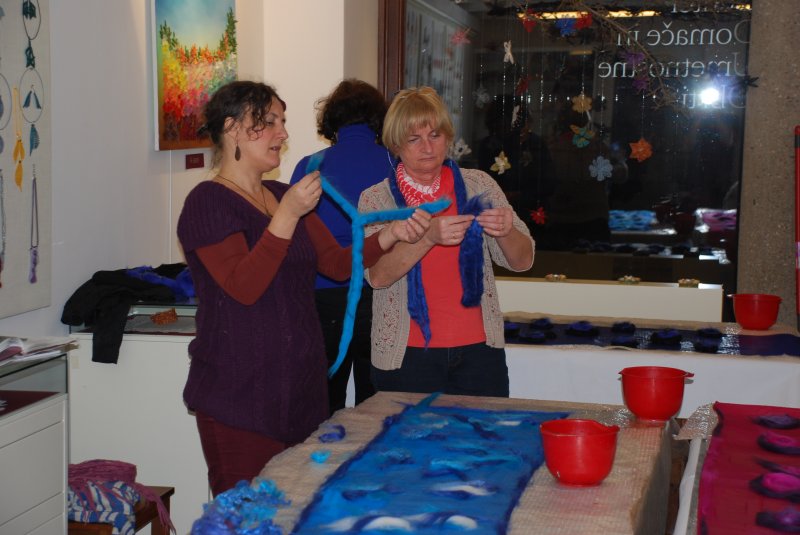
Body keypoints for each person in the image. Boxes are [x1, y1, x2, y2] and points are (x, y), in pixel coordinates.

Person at [176, 80, 430, 496]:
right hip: (240, 398)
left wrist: (390, 236)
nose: (283, 133)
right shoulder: (208, 202)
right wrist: (287, 216)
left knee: (299, 512)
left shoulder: (282, 193)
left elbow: (335, 264)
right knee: (246, 515)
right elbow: (243, 287)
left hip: (301, 395)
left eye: (282, 121)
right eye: (269, 122)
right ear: (233, 129)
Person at [358, 86, 535, 397]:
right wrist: (428, 237)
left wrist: (506, 230)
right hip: (407, 356)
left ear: (449, 137)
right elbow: (378, 276)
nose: (428, 147)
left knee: (483, 431)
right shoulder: (376, 200)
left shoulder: (479, 184)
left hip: (480, 353)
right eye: (414, 139)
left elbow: (523, 261)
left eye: (435, 135)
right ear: (396, 145)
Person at [290, 79, 390, 414]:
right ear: (378, 119)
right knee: (376, 407)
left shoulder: (309, 166)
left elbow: (295, 234)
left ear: (331, 120)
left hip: (323, 297)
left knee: (322, 406)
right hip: (380, 294)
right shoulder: (396, 164)